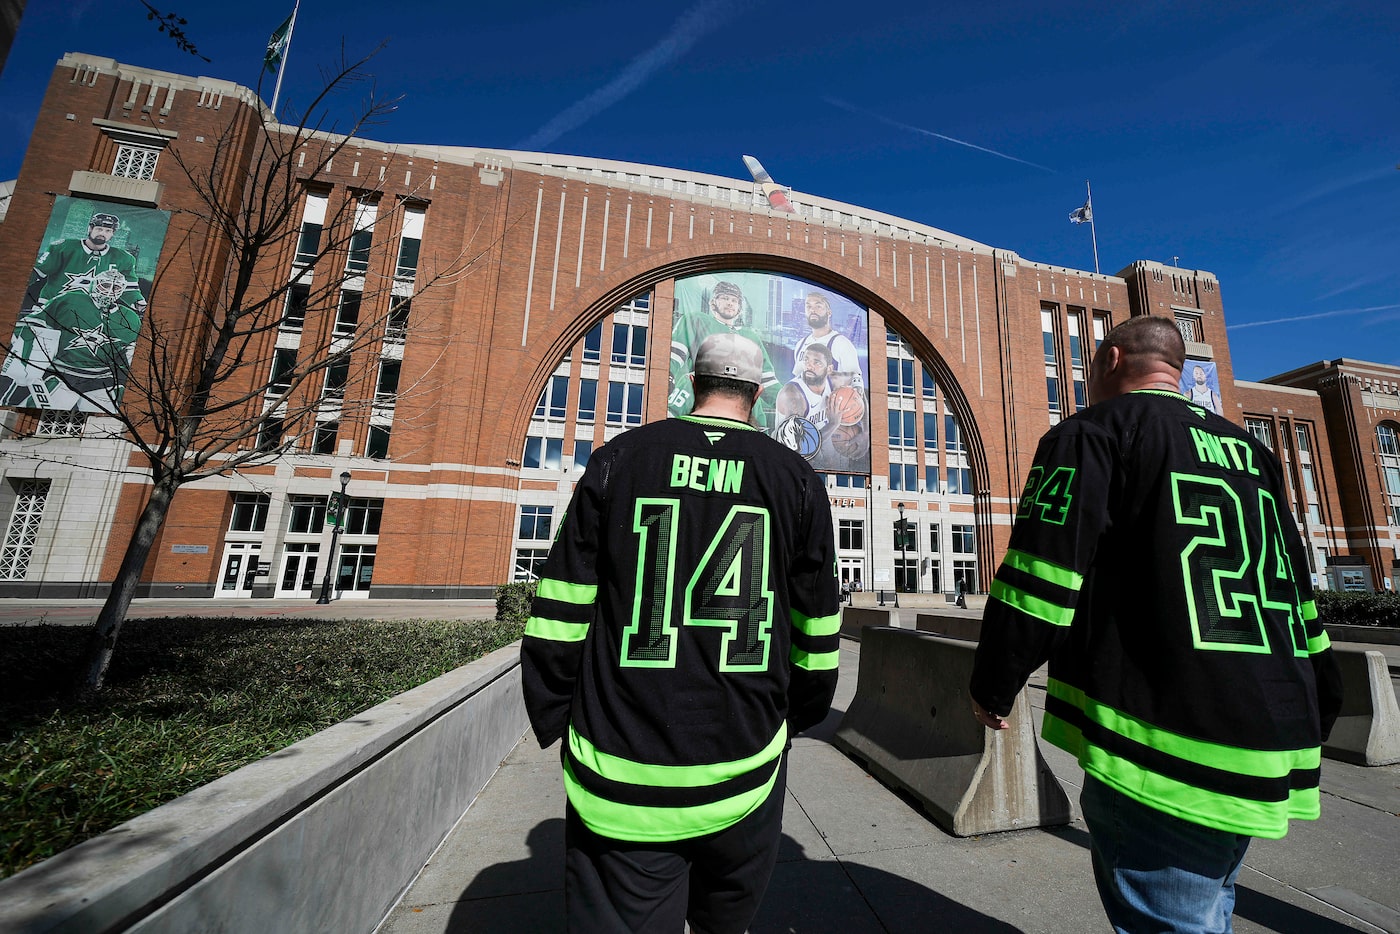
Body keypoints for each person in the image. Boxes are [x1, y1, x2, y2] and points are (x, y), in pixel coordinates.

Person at [969, 315, 1342, 934]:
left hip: (1168, 732)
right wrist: (1323, 693)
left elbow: (1042, 574)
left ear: (1111, 359)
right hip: (1269, 726)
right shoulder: (1252, 453)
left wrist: (993, 679)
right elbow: (1298, 588)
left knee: (1170, 920)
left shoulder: (1091, 433)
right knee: (1209, 905)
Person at [522, 331, 841, 934]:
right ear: (760, 391)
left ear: (693, 382)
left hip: (623, 760)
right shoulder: (795, 477)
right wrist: (798, 714)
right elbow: (818, 623)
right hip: (744, 759)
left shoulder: (622, 457)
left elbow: (562, 603)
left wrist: (556, 712)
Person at [0, 266, 141, 411]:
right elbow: (33, 323)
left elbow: (131, 354)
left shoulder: (131, 319)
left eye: (116, 287)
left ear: (122, 290)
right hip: (63, 373)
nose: (109, 291)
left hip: (102, 378)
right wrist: (24, 356)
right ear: (95, 283)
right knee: (45, 409)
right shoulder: (71, 300)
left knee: (105, 421)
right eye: (105, 285)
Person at [668, 280, 779, 424]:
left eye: (734, 300)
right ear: (714, 302)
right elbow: (674, 355)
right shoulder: (696, 321)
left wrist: (788, 402)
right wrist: (667, 376)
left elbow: (767, 379)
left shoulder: (751, 336)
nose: (730, 303)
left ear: (739, 307)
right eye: (725, 298)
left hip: (742, 394)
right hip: (704, 389)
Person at [28, 211, 146, 315]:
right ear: (90, 228)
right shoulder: (63, 247)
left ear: (112, 233)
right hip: (52, 306)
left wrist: (139, 302)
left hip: (91, 313)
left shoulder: (123, 258)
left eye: (108, 230)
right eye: (99, 229)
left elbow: (129, 287)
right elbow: (36, 272)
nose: (103, 233)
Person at [790, 291, 863, 389]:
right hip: (807, 403)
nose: (813, 310)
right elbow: (798, 379)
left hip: (832, 402)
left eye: (818, 306)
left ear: (829, 312)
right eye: (808, 307)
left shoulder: (841, 343)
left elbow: (856, 380)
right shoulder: (800, 344)